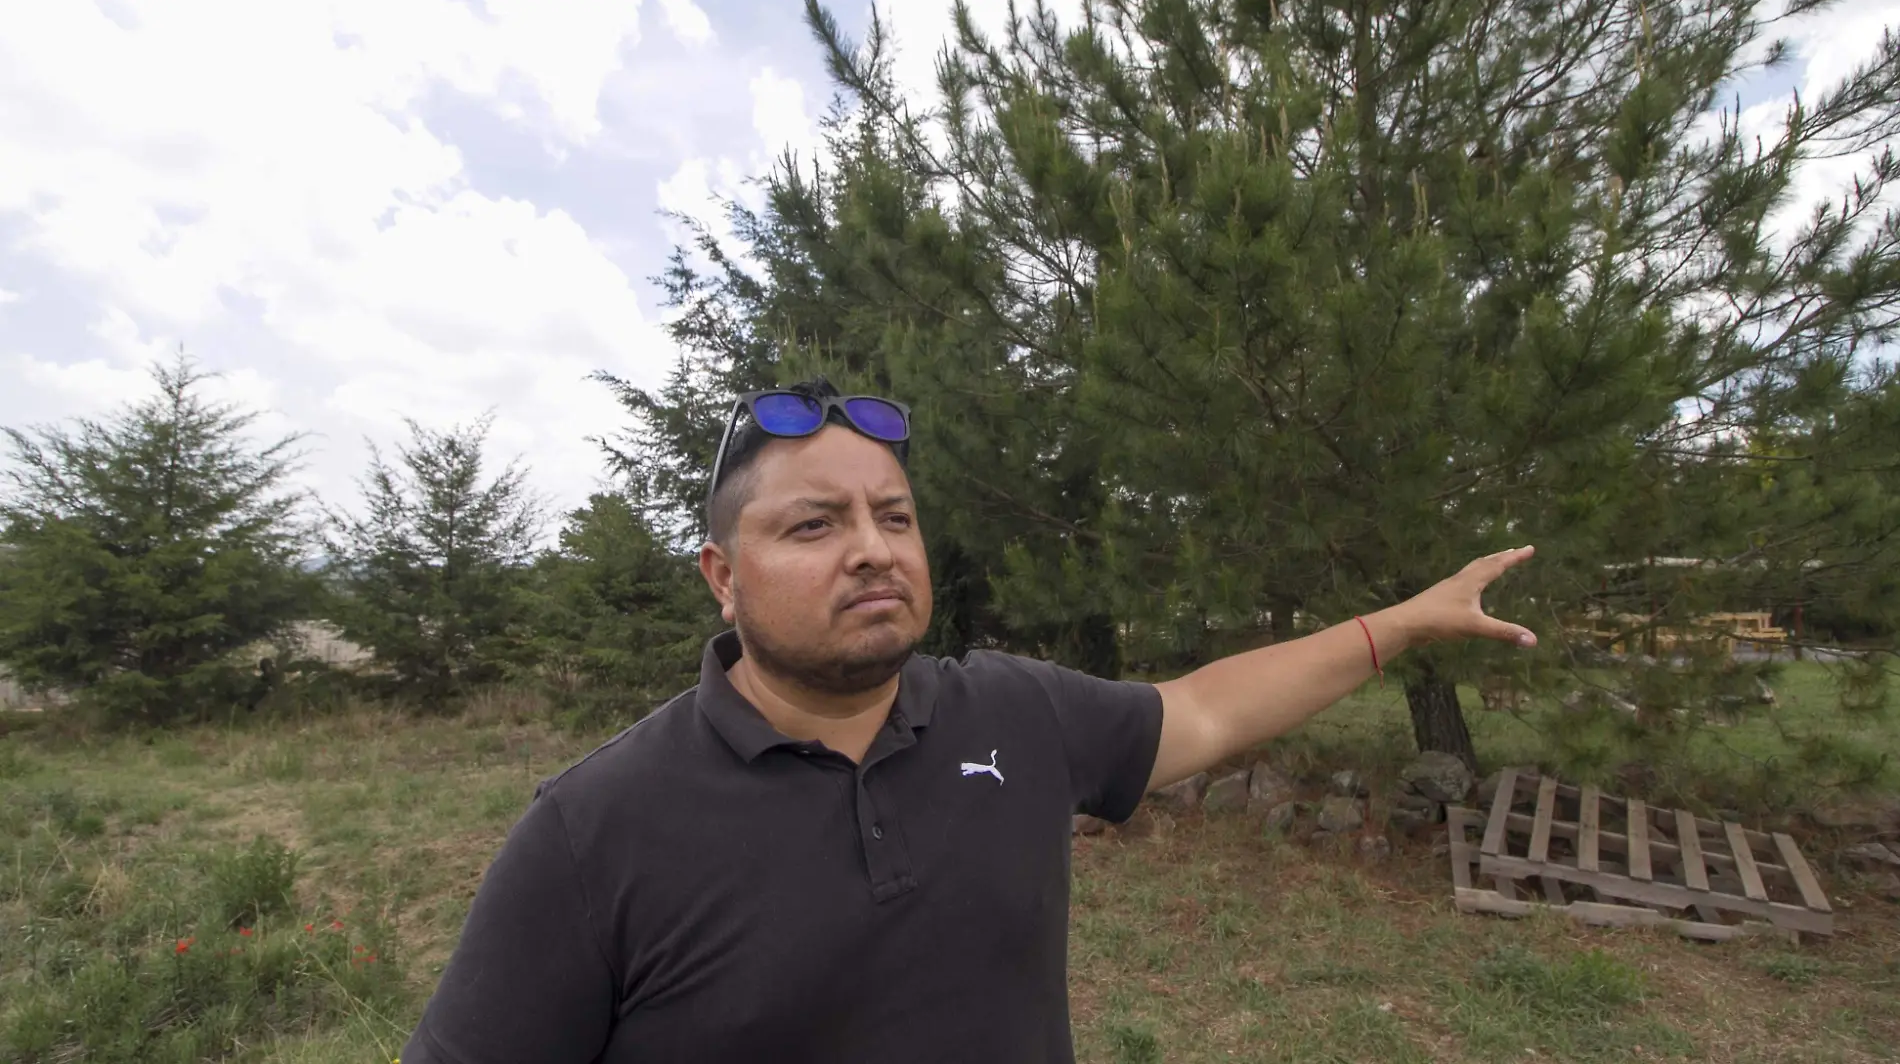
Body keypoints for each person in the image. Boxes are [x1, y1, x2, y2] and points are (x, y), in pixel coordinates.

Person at [399, 378, 1536, 1064]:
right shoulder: (594, 831)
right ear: (720, 576)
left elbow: (1200, 710)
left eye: (893, 516)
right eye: (812, 527)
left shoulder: (1013, 709)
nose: (873, 547)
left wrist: (1400, 625)